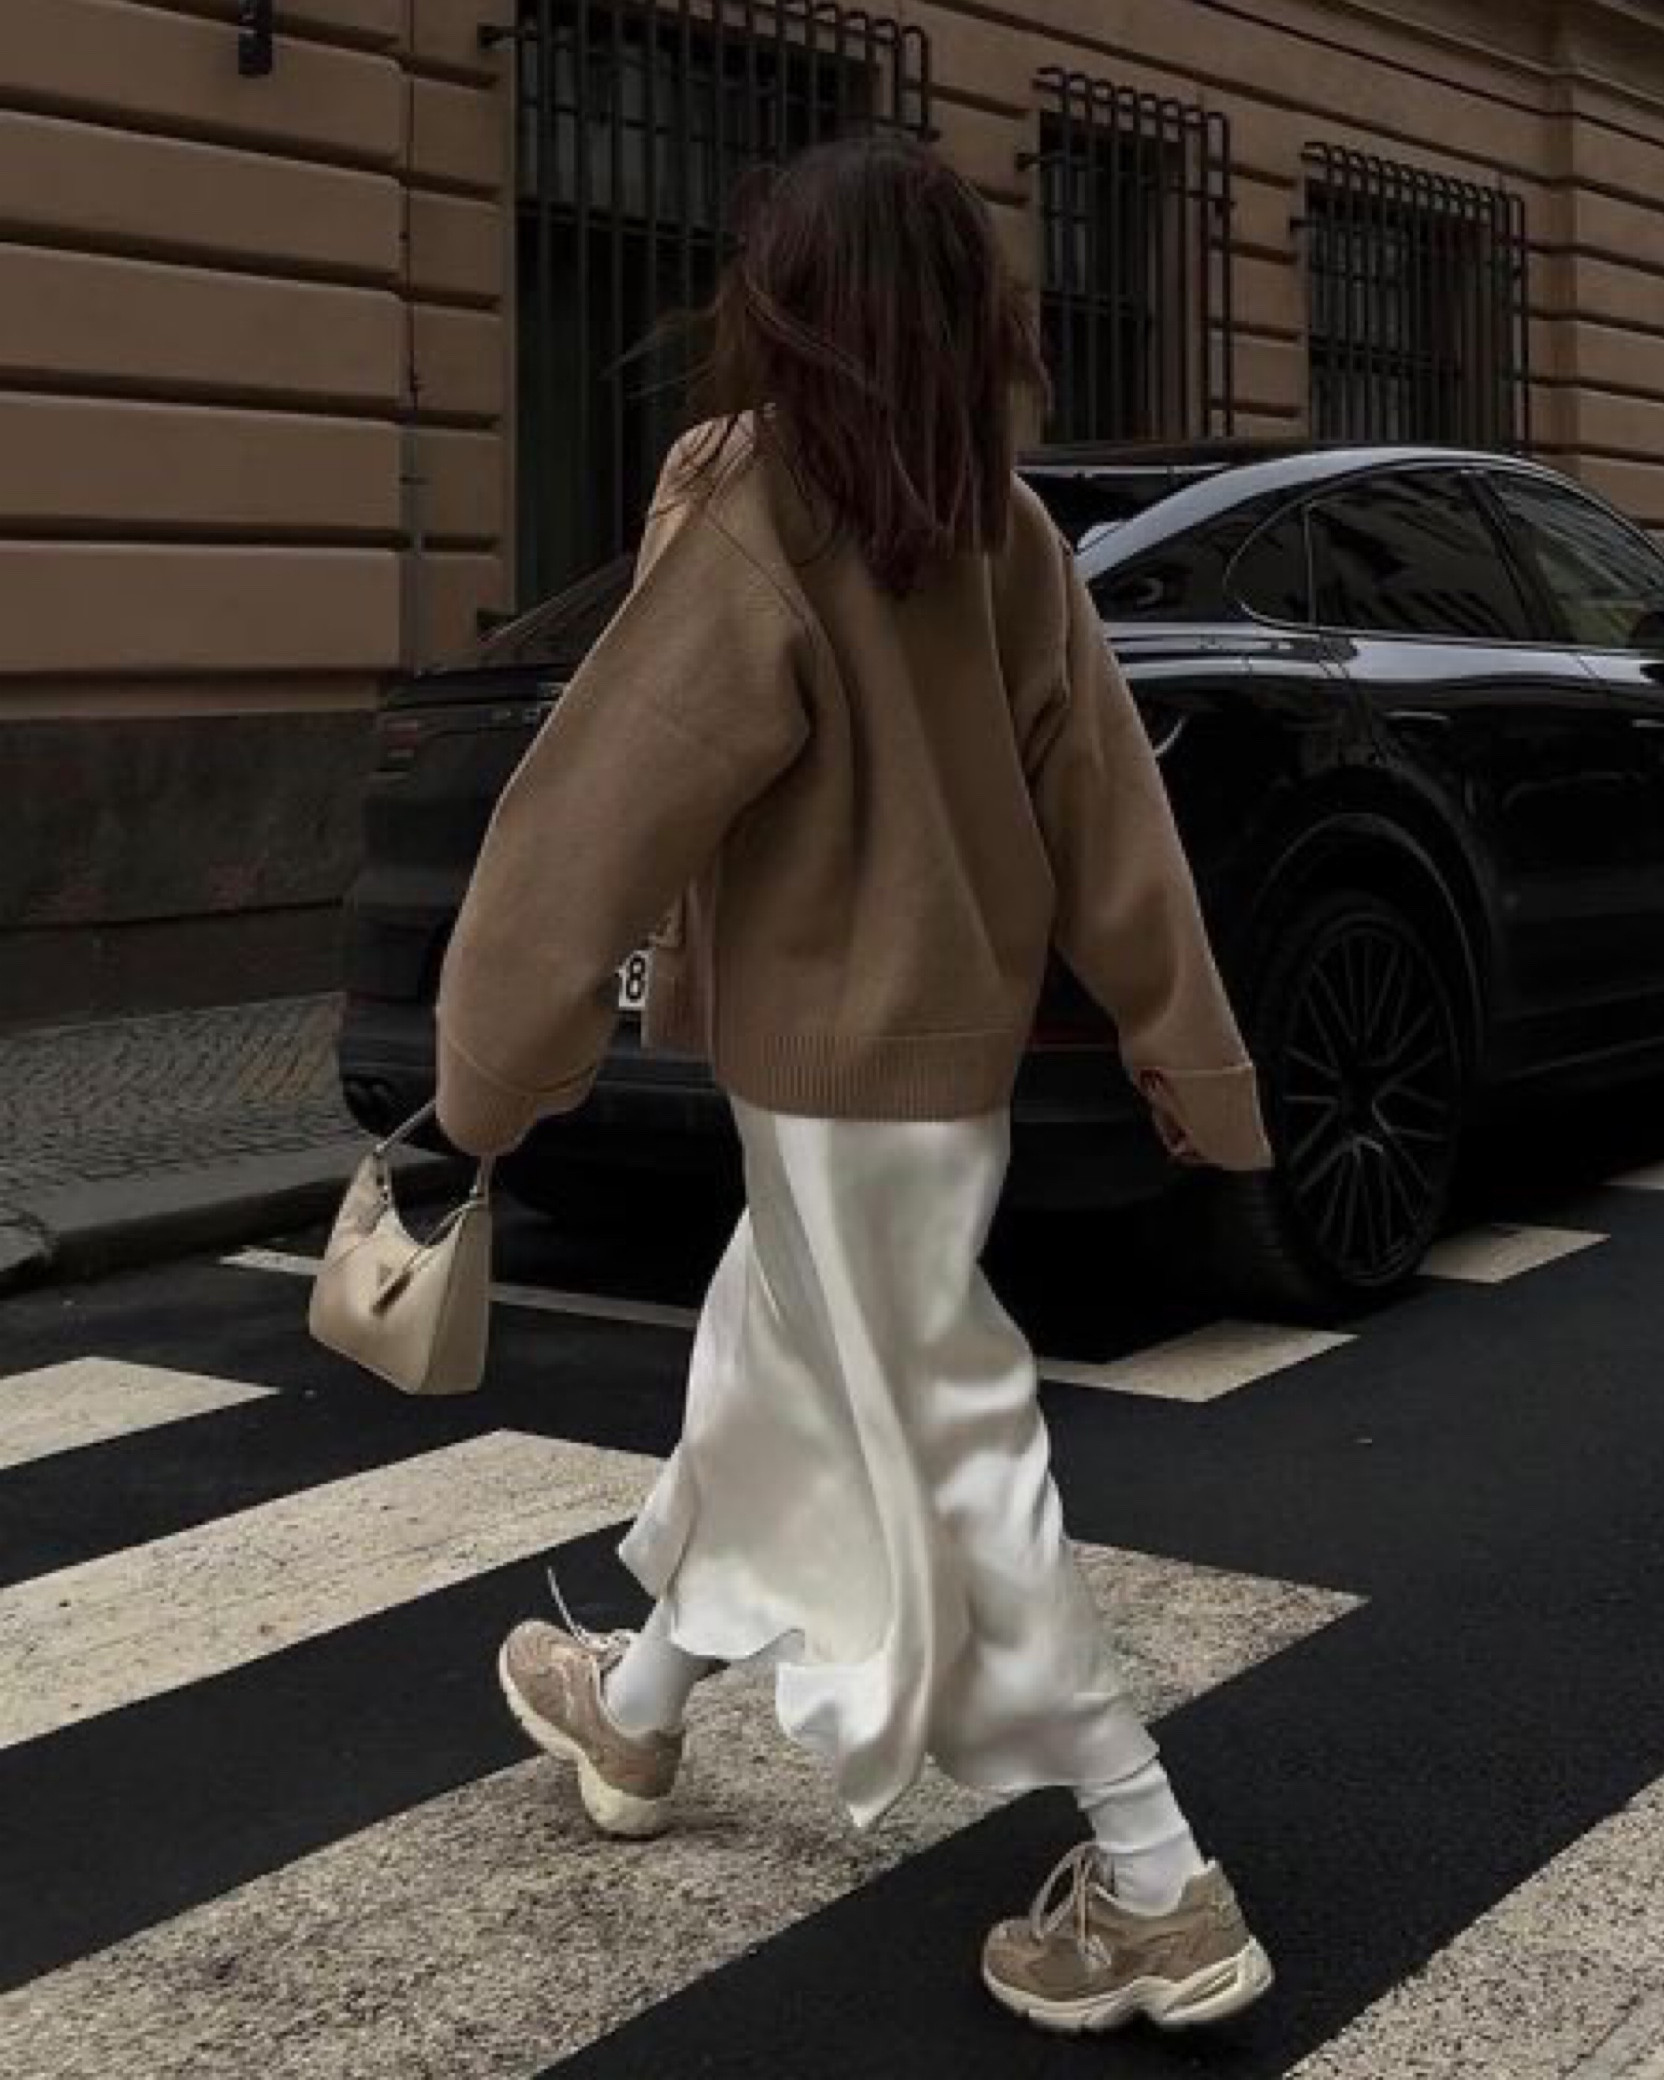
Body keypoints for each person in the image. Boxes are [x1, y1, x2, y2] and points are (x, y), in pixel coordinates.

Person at [434, 129, 1277, 2037]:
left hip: (824, 1072)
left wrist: (491, 1063)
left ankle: (1155, 1875)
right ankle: (639, 1716)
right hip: (935, 1065)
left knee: (949, 1442)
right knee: (777, 1363)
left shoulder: (744, 488)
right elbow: (1108, 809)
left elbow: (615, 787)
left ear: (788, 306)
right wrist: (1183, 1045)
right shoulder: (1001, 520)